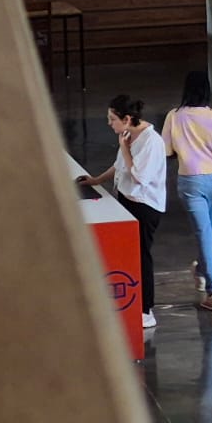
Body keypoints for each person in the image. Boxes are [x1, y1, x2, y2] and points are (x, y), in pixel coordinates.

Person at [77, 95, 167, 330]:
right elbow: (119, 165)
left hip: (144, 205)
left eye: (112, 119)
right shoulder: (128, 135)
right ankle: (134, 305)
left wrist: (124, 148)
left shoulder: (151, 141)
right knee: (131, 255)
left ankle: (146, 309)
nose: (109, 123)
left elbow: (140, 177)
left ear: (127, 119)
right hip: (128, 199)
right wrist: (96, 179)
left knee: (142, 256)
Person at [164, 71, 212, 313]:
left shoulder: (174, 117)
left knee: (205, 233)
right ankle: (209, 282)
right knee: (207, 232)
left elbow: (168, 152)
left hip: (190, 180)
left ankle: (211, 285)